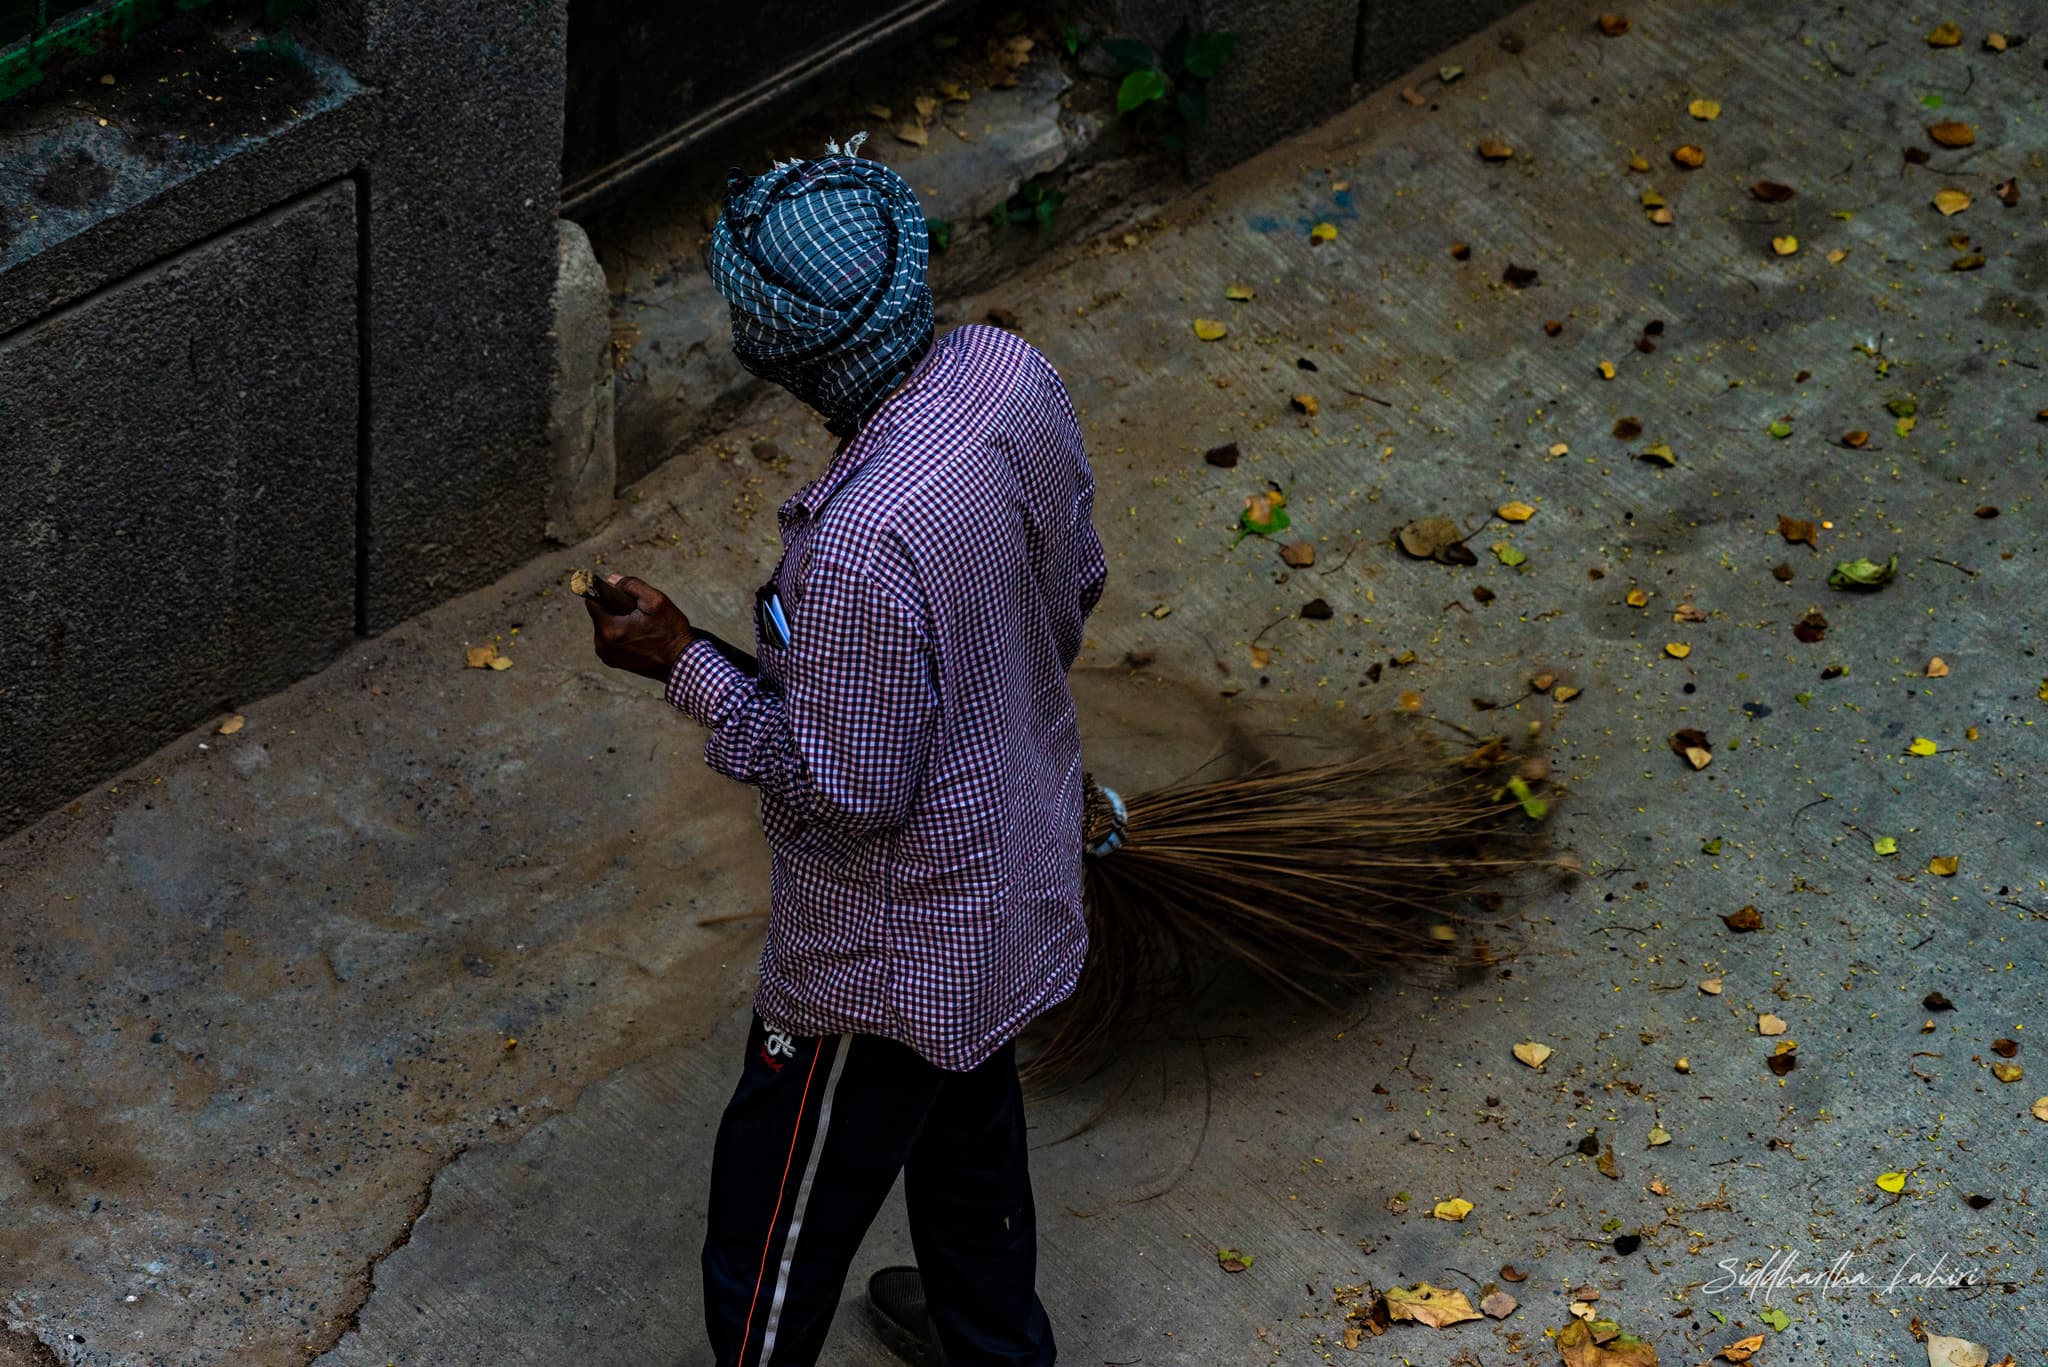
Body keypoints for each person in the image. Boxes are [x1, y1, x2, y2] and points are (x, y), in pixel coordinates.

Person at [583, 133, 1106, 1367]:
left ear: (777, 351)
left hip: (890, 946)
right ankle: (993, 1347)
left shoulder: (861, 544)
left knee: (772, 1212)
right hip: (1012, 865)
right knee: (967, 1115)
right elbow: (1072, 585)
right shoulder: (1007, 374)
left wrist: (686, 664)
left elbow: (846, 788)